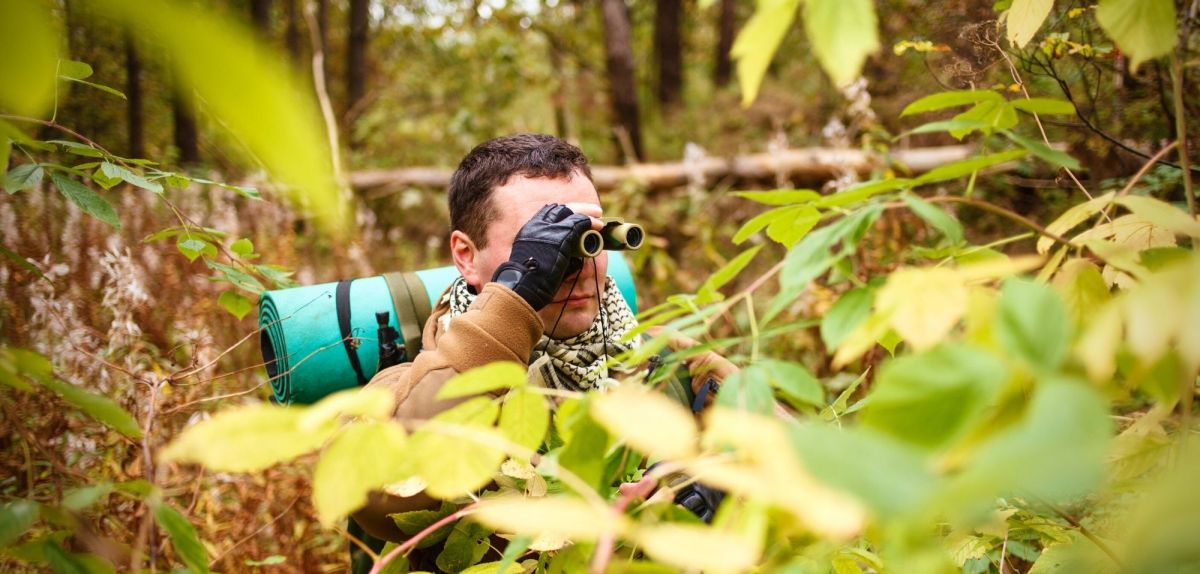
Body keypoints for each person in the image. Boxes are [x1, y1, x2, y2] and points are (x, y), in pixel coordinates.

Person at [351, 133, 736, 550]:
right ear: (466, 254)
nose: (580, 265)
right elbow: (380, 497)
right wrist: (520, 291)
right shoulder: (401, 387)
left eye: (591, 238)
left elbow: (798, 466)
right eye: (542, 242)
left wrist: (723, 485)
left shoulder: (667, 359)